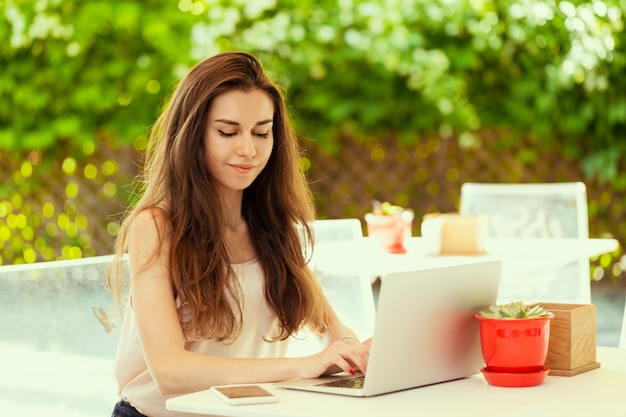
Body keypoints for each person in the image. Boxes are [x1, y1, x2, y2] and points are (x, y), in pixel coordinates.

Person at [107, 51, 370, 417]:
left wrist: (353, 351)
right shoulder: (155, 226)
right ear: (192, 134)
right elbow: (170, 372)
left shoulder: (273, 229)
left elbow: (332, 329)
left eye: (262, 132)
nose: (248, 149)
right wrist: (302, 365)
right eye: (227, 132)